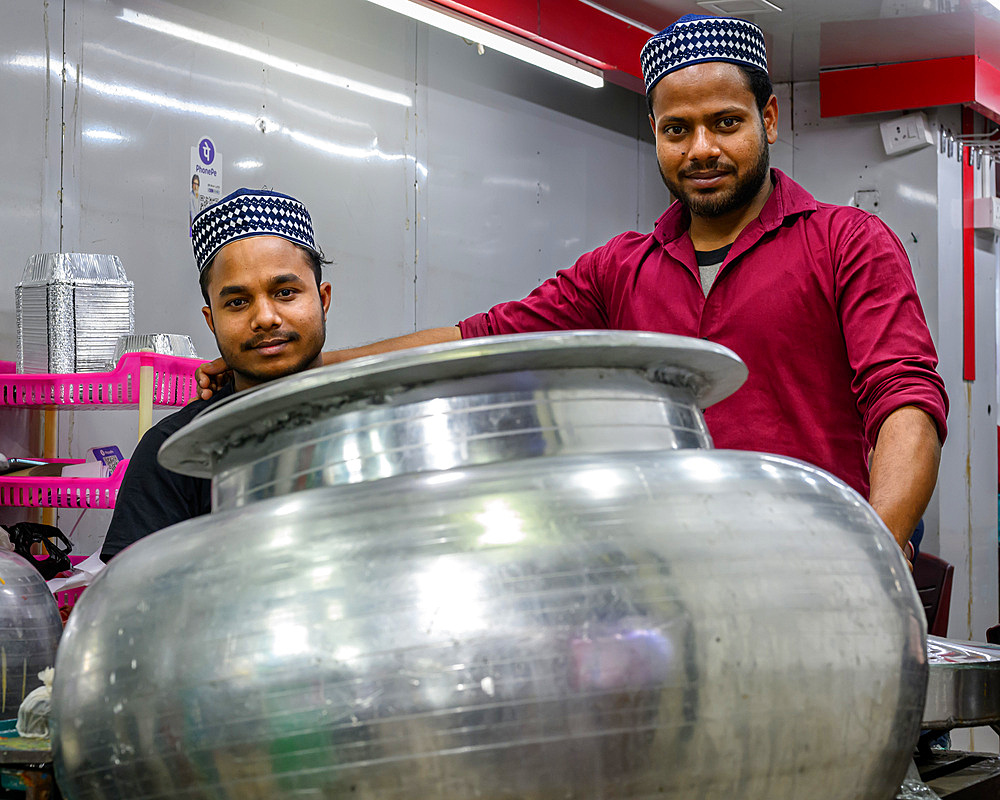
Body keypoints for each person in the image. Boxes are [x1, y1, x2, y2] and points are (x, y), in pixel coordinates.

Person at [197, 15, 948, 566]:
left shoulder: (846, 242)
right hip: (683, 582)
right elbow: (481, 336)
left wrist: (876, 551)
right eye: (678, 129)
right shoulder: (622, 270)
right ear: (654, 130)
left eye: (725, 123)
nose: (702, 150)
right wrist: (297, 368)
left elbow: (904, 401)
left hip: (823, 566)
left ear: (769, 119)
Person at [101, 188, 332, 561]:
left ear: (322, 300)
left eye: (286, 292)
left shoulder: (372, 419)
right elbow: (136, 595)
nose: (265, 318)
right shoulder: (173, 451)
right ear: (211, 320)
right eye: (237, 302)